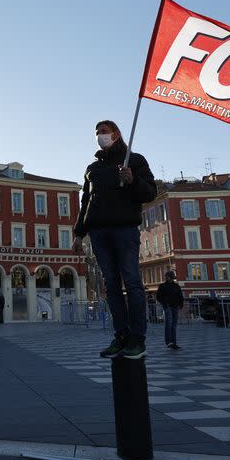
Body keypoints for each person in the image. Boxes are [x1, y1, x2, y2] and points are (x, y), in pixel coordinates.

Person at [73, 120, 157, 360]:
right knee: (110, 286)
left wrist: (133, 181)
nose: (100, 136)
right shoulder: (92, 169)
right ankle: (120, 335)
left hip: (125, 229)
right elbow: (86, 202)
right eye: (97, 133)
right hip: (99, 232)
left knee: (132, 282)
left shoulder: (135, 160)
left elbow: (149, 193)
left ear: (116, 134)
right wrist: (79, 233)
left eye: (104, 132)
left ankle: (137, 339)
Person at [156, 270, 184, 350]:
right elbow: (158, 296)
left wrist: (180, 304)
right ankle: (168, 342)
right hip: (167, 306)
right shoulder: (162, 286)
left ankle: (174, 342)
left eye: (167, 276)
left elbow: (180, 295)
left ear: (171, 277)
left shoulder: (176, 286)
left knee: (174, 325)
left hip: (175, 306)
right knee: (169, 323)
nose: (165, 277)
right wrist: (164, 302)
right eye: (166, 276)